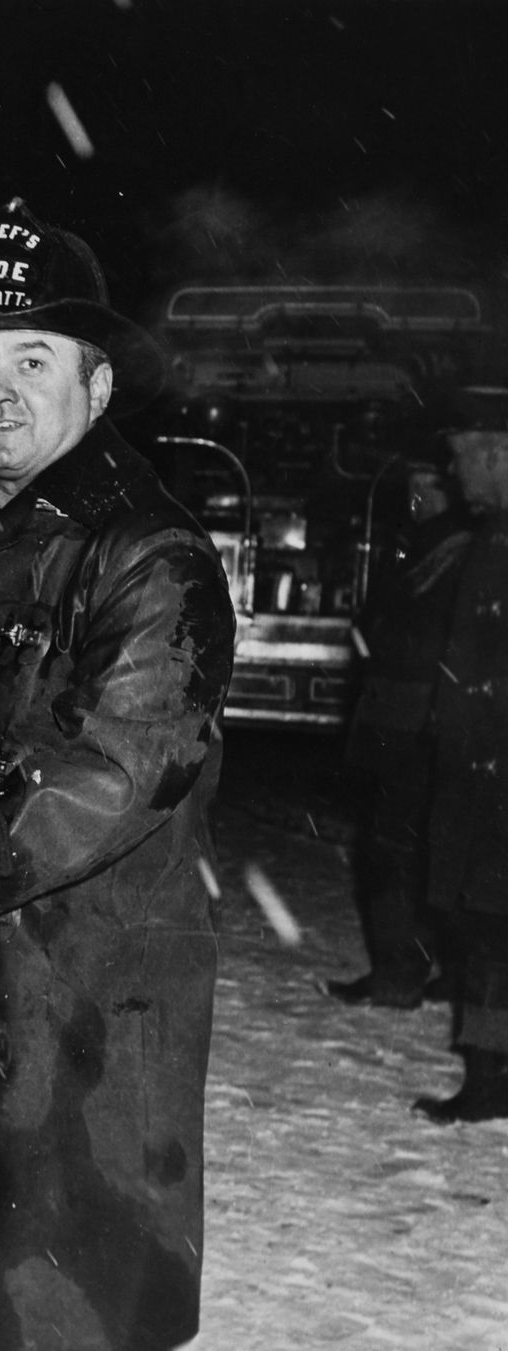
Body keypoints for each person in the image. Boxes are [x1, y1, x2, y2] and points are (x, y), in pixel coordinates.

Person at [0, 198, 236, 1351]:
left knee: (70, 1306)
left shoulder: (150, 552)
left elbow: (122, 766)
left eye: (35, 359)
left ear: (98, 385)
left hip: (88, 1014)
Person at [327, 456, 470, 1009]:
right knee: (419, 851)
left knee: (395, 851)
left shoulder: (452, 550)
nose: (418, 495)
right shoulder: (422, 544)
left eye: (430, 483)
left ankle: (400, 974)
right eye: (412, 485)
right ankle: (432, 971)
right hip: (402, 720)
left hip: (416, 724)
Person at [412, 385, 508, 1123]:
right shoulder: (486, 539)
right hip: (478, 766)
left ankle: (489, 1078)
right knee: (478, 918)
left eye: (464, 459)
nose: (456, 475)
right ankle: (487, 1072)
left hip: (494, 770)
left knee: (488, 921)